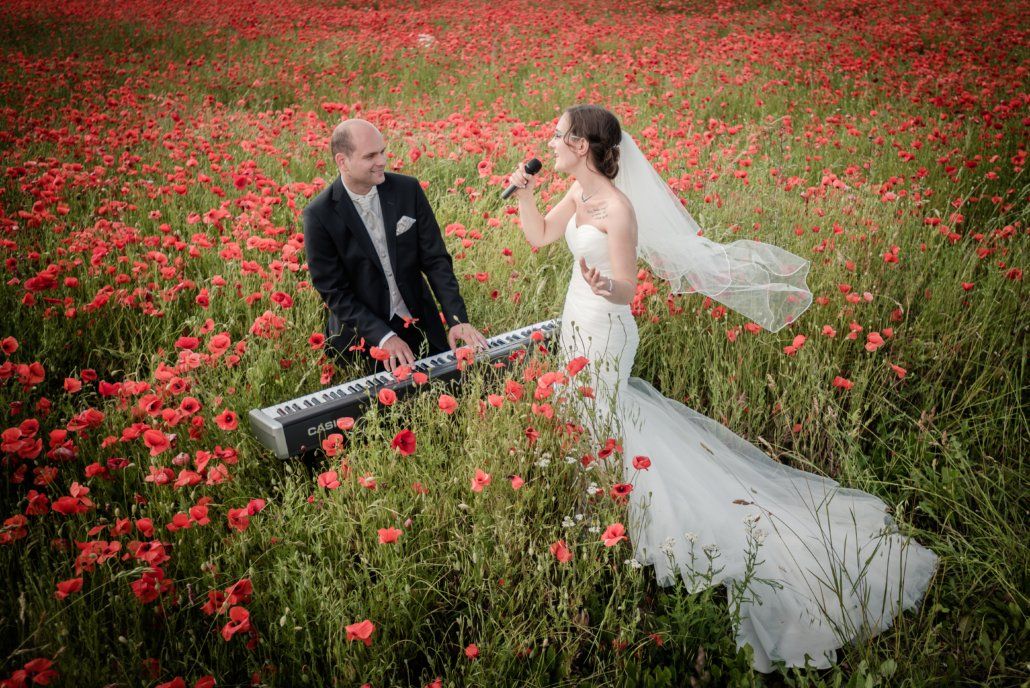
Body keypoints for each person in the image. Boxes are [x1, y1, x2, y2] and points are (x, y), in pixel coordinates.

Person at [507, 104, 938, 673]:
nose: (551, 143)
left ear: (582, 146)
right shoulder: (578, 197)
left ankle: (645, 531)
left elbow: (627, 289)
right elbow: (538, 238)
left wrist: (602, 281)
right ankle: (607, 522)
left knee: (605, 418)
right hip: (576, 321)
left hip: (607, 328)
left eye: (558, 136)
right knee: (593, 419)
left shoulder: (617, 207)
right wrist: (522, 194)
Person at [304, 119, 486, 372]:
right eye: (370, 156)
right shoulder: (318, 214)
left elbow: (435, 261)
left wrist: (457, 320)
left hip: (421, 322)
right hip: (363, 339)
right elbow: (334, 291)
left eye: (382, 151)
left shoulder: (407, 190)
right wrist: (383, 336)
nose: (382, 161)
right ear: (342, 161)